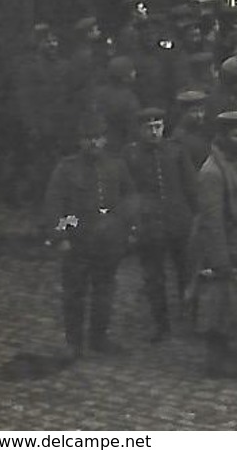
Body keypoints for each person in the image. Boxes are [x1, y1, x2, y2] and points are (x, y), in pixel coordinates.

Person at [45, 115, 138, 360]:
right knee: (74, 294)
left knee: (104, 292)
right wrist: (61, 235)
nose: (93, 143)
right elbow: (55, 205)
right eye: (88, 138)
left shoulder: (117, 166)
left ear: (105, 139)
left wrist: (127, 228)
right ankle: (73, 344)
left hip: (108, 243)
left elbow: (130, 199)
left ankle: (99, 338)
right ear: (80, 141)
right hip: (78, 241)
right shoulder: (66, 168)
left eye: (98, 138)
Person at [187, 111, 237, 379]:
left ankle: (234, 349)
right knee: (218, 306)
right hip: (220, 248)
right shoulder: (212, 172)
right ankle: (216, 361)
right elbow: (211, 220)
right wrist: (219, 259)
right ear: (223, 137)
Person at [125, 107, 197, 342]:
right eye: (148, 128)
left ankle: (190, 319)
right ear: (139, 130)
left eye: (157, 127)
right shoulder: (131, 155)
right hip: (150, 225)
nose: (154, 132)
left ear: (164, 127)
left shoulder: (176, 151)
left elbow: (191, 186)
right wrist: (134, 224)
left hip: (179, 221)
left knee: (186, 272)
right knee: (154, 277)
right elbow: (128, 193)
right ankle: (161, 324)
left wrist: (196, 216)